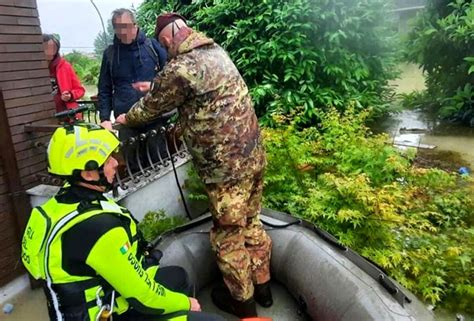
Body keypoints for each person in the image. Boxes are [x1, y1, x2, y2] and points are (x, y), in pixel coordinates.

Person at [116, 13, 273, 318]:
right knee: (252, 223)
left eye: (165, 48)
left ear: (165, 41)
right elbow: (198, 91)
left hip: (226, 170)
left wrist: (124, 118)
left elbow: (149, 108)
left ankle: (245, 307)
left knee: (228, 237)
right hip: (254, 157)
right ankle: (265, 290)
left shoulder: (180, 67)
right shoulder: (217, 52)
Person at [21, 123, 224, 321]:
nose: (116, 163)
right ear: (88, 173)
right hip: (106, 313)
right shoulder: (99, 228)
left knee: (177, 277)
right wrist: (186, 304)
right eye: (108, 159)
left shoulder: (62, 203)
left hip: (92, 301)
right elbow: (144, 298)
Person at [43, 34, 85, 120]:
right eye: (47, 47)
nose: (50, 51)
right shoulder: (34, 69)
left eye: (53, 48)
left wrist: (70, 95)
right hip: (44, 116)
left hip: (67, 116)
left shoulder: (65, 66)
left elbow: (80, 90)